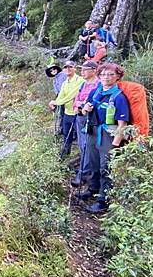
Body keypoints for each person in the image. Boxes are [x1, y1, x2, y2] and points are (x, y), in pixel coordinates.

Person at [80, 63, 129, 213]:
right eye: (103, 74)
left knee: (105, 168)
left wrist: (115, 144)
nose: (106, 77)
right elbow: (83, 112)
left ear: (118, 77)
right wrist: (85, 109)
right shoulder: (95, 92)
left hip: (108, 135)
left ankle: (103, 201)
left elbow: (122, 124)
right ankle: (93, 189)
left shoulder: (118, 97)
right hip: (92, 132)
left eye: (110, 74)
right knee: (93, 163)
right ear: (99, 76)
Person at [71, 61, 100, 187]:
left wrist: (82, 106)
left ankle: (84, 174)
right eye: (81, 69)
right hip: (80, 117)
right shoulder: (83, 84)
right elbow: (76, 99)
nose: (82, 72)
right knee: (82, 146)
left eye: (85, 69)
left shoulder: (98, 84)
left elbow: (94, 102)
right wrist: (77, 106)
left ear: (94, 70)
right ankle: (84, 169)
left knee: (88, 146)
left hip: (91, 119)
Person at [48, 61, 84, 158]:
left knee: (81, 137)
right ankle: (65, 154)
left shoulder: (80, 80)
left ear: (75, 68)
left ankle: (84, 156)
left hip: (78, 113)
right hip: (68, 112)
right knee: (66, 134)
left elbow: (72, 95)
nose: (68, 69)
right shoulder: (65, 82)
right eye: (65, 67)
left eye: (70, 67)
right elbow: (61, 95)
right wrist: (55, 102)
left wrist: (57, 102)